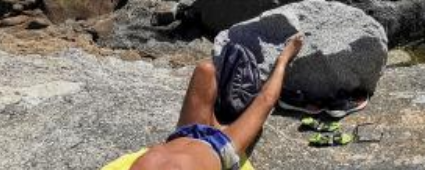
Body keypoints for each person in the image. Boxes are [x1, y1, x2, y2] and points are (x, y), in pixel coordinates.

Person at [105, 35, 305, 170]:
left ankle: (218, 113)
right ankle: (280, 62)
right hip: (220, 147)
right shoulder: (226, 145)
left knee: (205, 69)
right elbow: (267, 100)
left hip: (183, 134)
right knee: (262, 102)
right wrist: (284, 59)